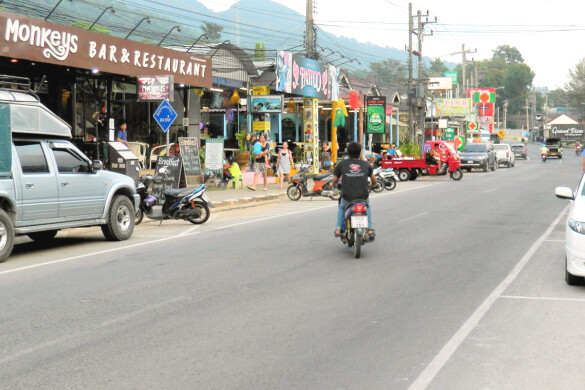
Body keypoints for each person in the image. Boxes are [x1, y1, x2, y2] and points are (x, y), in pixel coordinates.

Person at [331, 142, 376, 237]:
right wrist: (372, 185)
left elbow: (335, 179)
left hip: (347, 196)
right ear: (359, 152)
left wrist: (332, 184)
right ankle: (370, 228)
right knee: (367, 207)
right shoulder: (365, 164)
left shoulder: (342, 164)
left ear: (348, 152)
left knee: (341, 207)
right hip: (363, 196)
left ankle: (338, 228)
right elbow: (374, 180)